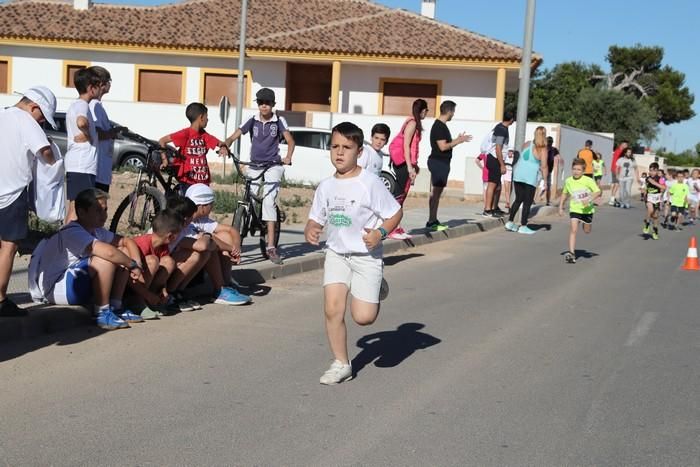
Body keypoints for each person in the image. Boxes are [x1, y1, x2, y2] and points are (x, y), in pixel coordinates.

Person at [304, 122, 402, 385]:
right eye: (334, 146)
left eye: (346, 147)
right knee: (332, 310)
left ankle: (376, 287)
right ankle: (341, 363)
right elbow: (315, 219)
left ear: (359, 152)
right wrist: (311, 229)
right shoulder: (325, 186)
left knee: (363, 317)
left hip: (365, 256)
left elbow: (394, 213)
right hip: (337, 254)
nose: (339, 152)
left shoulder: (369, 183)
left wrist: (380, 234)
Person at [28, 189, 145, 329]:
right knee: (104, 260)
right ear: (82, 213)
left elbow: (127, 242)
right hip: (55, 288)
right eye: (98, 211)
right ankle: (102, 312)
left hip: (75, 282)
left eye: (105, 210)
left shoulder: (96, 230)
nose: (104, 215)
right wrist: (132, 265)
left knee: (123, 252)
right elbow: (108, 253)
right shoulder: (72, 231)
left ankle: (116, 306)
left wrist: (137, 263)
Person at [0, 86, 57, 317]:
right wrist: (53, 156)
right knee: (8, 246)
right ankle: (1, 300)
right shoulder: (27, 122)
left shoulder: (2, 114)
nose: (42, 122)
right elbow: (45, 153)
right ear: (34, 107)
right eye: (42, 116)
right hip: (13, 191)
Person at [225, 88, 294, 264]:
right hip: (255, 164)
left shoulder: (278, 121)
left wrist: (288, 157)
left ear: (273, 105)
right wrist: (225, 145)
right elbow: (234, 136)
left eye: (268, 103)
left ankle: (271, 247)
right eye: (261, 102)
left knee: (269, 202)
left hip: (273, 166)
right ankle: (238, 240)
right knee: (248, 196)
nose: (264, 106)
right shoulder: (252, 120)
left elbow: (291, 141)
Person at [159, 102, 229, 193]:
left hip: (203, 180)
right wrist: (165, 160)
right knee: (189, 205)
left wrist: (223, 147)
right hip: (188, 180)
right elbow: (162, 141)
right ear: (201, 118)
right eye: (206, 117)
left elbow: (219, 143)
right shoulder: (185, 133)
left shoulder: (204, 135)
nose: (208, 119)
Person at [130, 209, 184, 319]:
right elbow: (129, 278)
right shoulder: (141, 244)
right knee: (153, 261)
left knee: (169, 262)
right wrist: (146, 294)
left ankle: (153, 300)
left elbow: (164, 271)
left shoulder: (163, 246)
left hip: (144, 287)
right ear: (171, 236)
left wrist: (163, 289)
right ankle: (137, 302)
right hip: (130, 287)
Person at [426, 100, 471, 231]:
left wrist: (455, 140)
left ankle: (433, 219)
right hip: (438, 162)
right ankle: (431, 221)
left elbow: (445, 144)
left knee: (437, 192)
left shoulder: (441, 126)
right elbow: (443, 146)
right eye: (453, 112)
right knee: (435, 193)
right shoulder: (439, 126)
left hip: (441, 163)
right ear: (449, 111)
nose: (453, 115)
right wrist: (458, 141)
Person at [387, 98, 428, 239]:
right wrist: (410, 167)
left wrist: (414, 165)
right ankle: (391, 228)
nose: (426, 113)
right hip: (403, 163)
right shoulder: (412, 123)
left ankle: (396, 226)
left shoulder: (412, 123)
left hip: (406, 163)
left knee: (401, 195)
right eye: (426, 110)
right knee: (399, 195)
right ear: (422, 110)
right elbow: (406, 146)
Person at [65, 67, 101, 222]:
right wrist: (88, 136)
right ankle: (66, 243)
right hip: (82, 165)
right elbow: (81, 122)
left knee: (74, 207)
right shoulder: (82, 105)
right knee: (77, 209)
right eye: (99, 86)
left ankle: (65, 242)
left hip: (78, 165)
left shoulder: (76, 105)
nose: (101, 89)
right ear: (91, 88)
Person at [505, 126, 549, 235]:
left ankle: (510, 222)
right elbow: (544, 166)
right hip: (530, 177)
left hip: (518, 174)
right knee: (527, 202)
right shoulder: (543, 149)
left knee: (518, 199)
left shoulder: (527, 144)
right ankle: (523, 225)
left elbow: (522, 154)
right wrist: (545, 181)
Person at [88, 66, 124, 193]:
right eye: (109, 81)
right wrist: (113, 132)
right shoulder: (93, 106)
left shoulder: (98, 106)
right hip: (97, 167)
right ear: (102, 84)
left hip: (102, 167)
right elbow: (96, 132)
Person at [559, 158, 601, 263]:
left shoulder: (588, 180)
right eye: (574, 169)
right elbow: (564, 193)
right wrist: (560, 206)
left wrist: (589, 199)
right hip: (575, 209)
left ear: (583, 171)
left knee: (587, 231)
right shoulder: (568, 181)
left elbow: (597, 191)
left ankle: (586, 223)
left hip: (587, 210)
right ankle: (572, 253)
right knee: (573, 230)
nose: (576, 171)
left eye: (578, 169)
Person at [483, 112, 514, 218]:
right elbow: (498, 148)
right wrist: (502, 164)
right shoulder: (502, 130)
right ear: (511, 119)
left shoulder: (501, 127)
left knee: (498, 185)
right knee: (492, 184)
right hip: (494, 159)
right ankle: (487, 209)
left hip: (495, 159)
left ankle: (494, 207)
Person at [642, 162, 665, 240]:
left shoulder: (660, 179)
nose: (651, 172)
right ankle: (647, 224)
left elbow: (663, 188)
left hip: (657, 199)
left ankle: (655, 231)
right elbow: (650, 183)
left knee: (655, 217)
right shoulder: (648, 178)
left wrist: (660, 187)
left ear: (657, 171)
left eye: (653, 170)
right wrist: (644, 192)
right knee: (650, 210)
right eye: (650, 170)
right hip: (649, 197)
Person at [608, 140, 629, 206]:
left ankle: (612, 198)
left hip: (614, 169)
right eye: (625, 145)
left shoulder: (617, 151)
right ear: (622, 144)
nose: (626, 146)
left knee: (614, 184)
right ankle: (612, 199)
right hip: (617, 170)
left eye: (627, 146)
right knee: (617, 184)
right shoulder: (620, 152)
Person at [544, 136, 563, 206]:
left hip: (548, 170)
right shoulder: (543, 148)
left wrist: (560, 159)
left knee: (548, 186)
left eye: (550, 142)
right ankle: (533, 199)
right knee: (536, 184)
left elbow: (558, 155)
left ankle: (547, 201)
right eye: (548, 142)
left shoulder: (554, 149)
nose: (549, 143)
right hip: (541, 169)